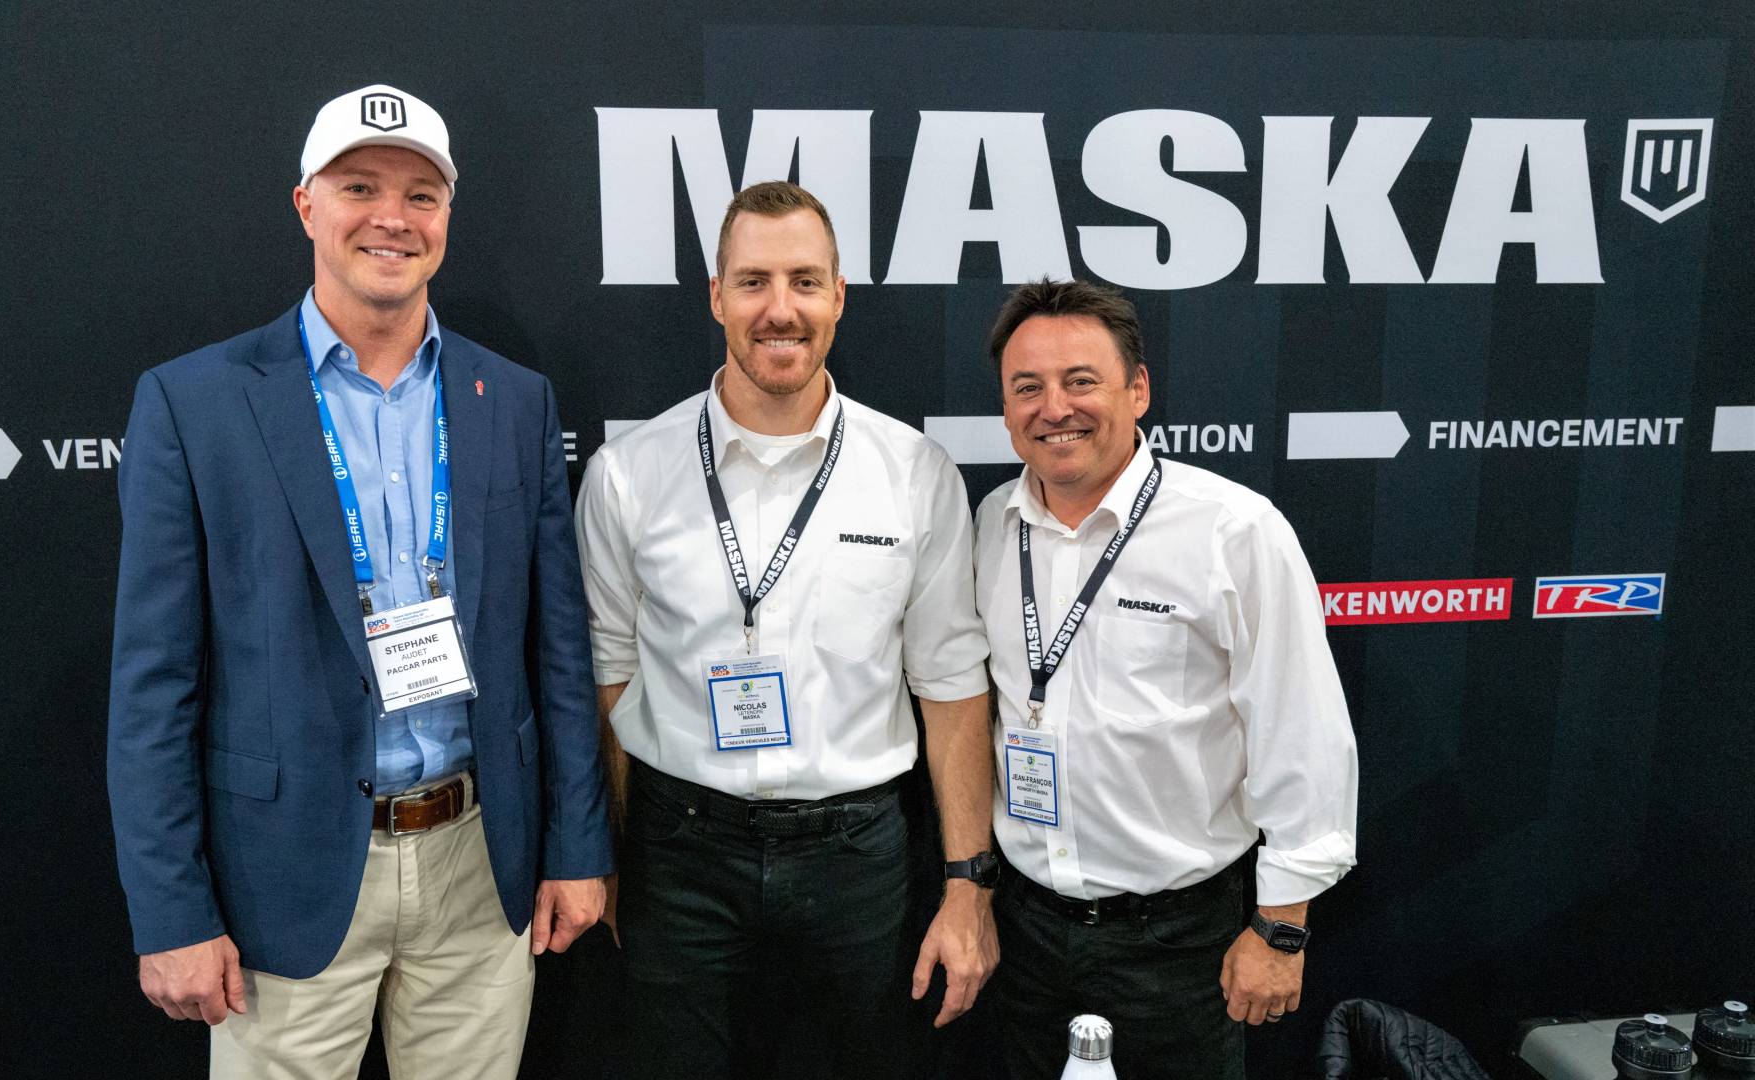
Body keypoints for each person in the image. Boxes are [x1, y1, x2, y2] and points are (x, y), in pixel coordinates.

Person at [107, 84, 612, 1079]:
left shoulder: (513, 400)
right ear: (307, 205)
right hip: (281, 878)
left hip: (481, 861)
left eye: (422, 194)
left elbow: (558, 652)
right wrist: (171, 910)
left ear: (448, 217)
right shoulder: (193, 404)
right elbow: (153, 689)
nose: (393, 217)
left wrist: (577, 845)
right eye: (360, 187)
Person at [574, 180, 999, 1078]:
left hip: (857, 861)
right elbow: (610, 674)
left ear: (839, 296)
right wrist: (607, 853)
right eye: (754, 281)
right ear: (716, 296)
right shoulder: (627, 474)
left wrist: (969, 884)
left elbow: (951, 688)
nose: (781, 309)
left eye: (805, 281)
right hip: (678, 856)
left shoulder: (914, 472)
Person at [973, 278, 1359, 1080]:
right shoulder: (991, 526)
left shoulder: (1233, 531)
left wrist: (1281, 929)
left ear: (1138, 389)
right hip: (1026, 931)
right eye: (1028, 387)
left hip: (1177, 944)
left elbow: (1302, 733)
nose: (1055, 408)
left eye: (1081, 380)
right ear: (1005, 408)